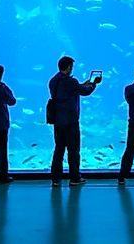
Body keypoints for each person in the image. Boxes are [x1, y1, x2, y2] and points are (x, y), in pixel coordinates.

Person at [49, 55, 101, 187]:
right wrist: (93, 84)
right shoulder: (70, 82)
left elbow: (74, 89)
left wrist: (84, 83)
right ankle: (74, 178)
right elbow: (85, 92)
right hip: (71, 121)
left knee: (59, 149)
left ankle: (55, 179)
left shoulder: (53, 81)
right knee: (73, 150)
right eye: (71, 67)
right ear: (68, 67)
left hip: (58, 120)